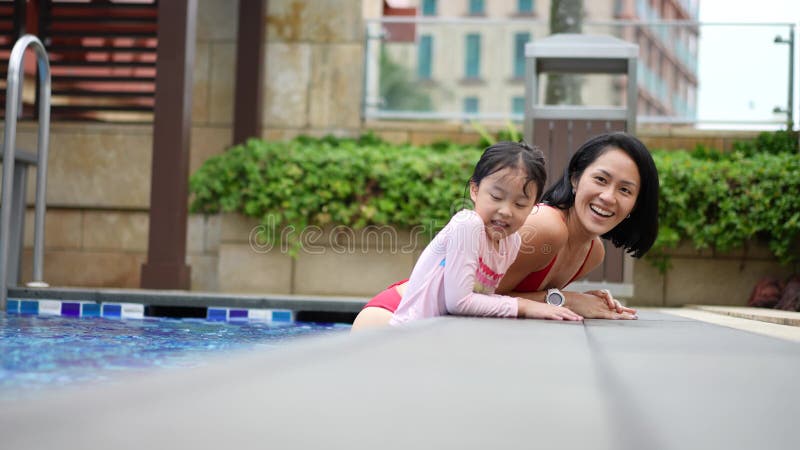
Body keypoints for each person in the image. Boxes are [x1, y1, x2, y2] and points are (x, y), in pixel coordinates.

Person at [351, 132, 659, 331]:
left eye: (625, 190)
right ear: (576, 179)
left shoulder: (593, 253)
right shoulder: (546, 227)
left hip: (432, 328)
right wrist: (563, 299)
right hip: (394, 319)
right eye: (601, 180)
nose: (609, 197)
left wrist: (575, 300)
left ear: (636, 203)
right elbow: (472, 297)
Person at [385, 141, 583, 327]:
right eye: (496, 197)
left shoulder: (511, 242)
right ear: (474, 190)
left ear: (533, 206)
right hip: (411, 334)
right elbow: (459, 302)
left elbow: (482, 300)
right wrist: (522, 305)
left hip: (444, 336)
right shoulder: (468, 226)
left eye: (520, 204)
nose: (506, 211)